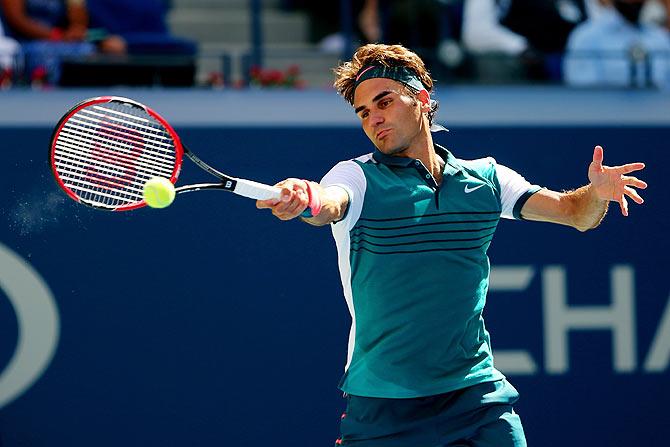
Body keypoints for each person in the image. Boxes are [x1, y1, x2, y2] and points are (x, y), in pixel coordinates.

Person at [257, 44, 647, 446]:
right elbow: (330, 202)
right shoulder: (357, 176)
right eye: (364, 113)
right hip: (385, 406)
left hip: (476, 399)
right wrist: (307, 198)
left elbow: (574, 213)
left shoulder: (487, 178)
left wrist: (596, 194)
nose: (374, 118)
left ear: (422, 99)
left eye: (384, 102)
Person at [0, 0, 125, 84]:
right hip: (23, 44)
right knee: (45, 55)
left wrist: (75, 7)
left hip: (60, 42)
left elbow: (78, 25)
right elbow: (17, 19)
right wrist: (56, 35)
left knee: (96, 48)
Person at [564, 0, 670, 88]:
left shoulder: (659, 38)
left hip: (655, 111)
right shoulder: (587, 37)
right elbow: (584, 94)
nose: (635, 2)